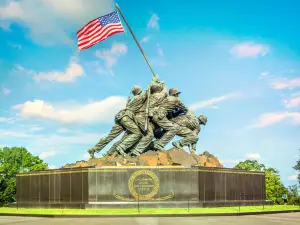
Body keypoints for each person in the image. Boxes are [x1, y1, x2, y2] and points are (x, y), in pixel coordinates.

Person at [87, 85, 147, 158]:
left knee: (110, 136)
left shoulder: (132, 99)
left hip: (120, 117)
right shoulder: (138, 97)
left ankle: (93, 149)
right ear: (139, 92)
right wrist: (154, 82)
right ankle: (121, 148)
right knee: (137, 133)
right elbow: (147, 92)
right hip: (126, 118)